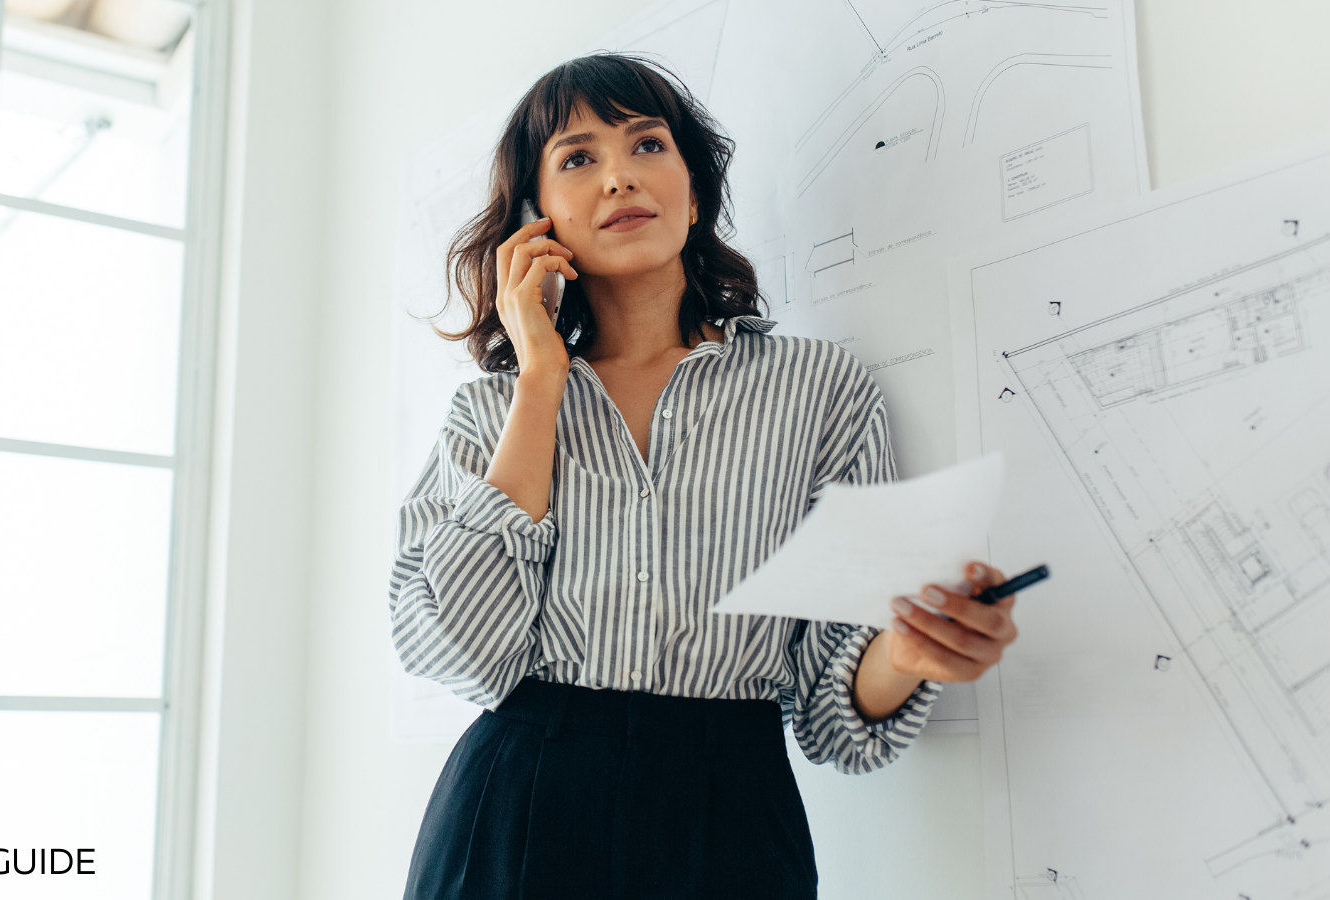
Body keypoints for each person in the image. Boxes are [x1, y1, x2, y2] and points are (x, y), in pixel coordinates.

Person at [388, 52, 1020, 900]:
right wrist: (539, 379)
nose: (619, 177)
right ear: (535, 223)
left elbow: (835, 721)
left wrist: (908, 651)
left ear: (694, 192)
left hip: (731, 812)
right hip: (516, 812)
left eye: (648, 146)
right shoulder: (490, 414)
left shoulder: (818, 388)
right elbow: (463, 651)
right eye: (579, 158)